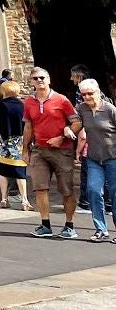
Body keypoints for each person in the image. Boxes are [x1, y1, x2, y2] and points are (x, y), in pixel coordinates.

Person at [23, 66, 80, 239]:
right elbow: (28, 126)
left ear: (49, 80)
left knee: (66, 189)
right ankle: (45, 224)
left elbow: (76, 123)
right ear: (31, 82)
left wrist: (61, 138)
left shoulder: (61, 100)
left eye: (42, 77)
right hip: (39, 150)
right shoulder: (28, 102)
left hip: (62, 150)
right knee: (40, 188)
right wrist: (25, 149)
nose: (39, 81)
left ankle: (69, 225)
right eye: (35, 78)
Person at [74, 79, 116, 243]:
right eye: (83, 94)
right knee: (92, 191)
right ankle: (101, 229)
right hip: (93, 158)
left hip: (112, 157)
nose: (87, 97)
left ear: (98, 92)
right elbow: (78, 127)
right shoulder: (82, 109)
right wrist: (68, 131)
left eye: (90, 93)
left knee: (114, 194)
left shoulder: (110, 109)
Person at [0, 78, 29, 210]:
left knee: (3, 171)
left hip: (4, 141)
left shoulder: (0, 104)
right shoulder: (22, 104)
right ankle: (24, 200)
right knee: (20, 171)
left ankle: (4, 199)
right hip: (19, 140)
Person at [71, 64, 93, 212]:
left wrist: (78, 149)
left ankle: (85, 202)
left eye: (73, 75)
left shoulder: (82, 92)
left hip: (88, 141)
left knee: (87, 171)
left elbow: (82, 124)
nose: (71, 78)